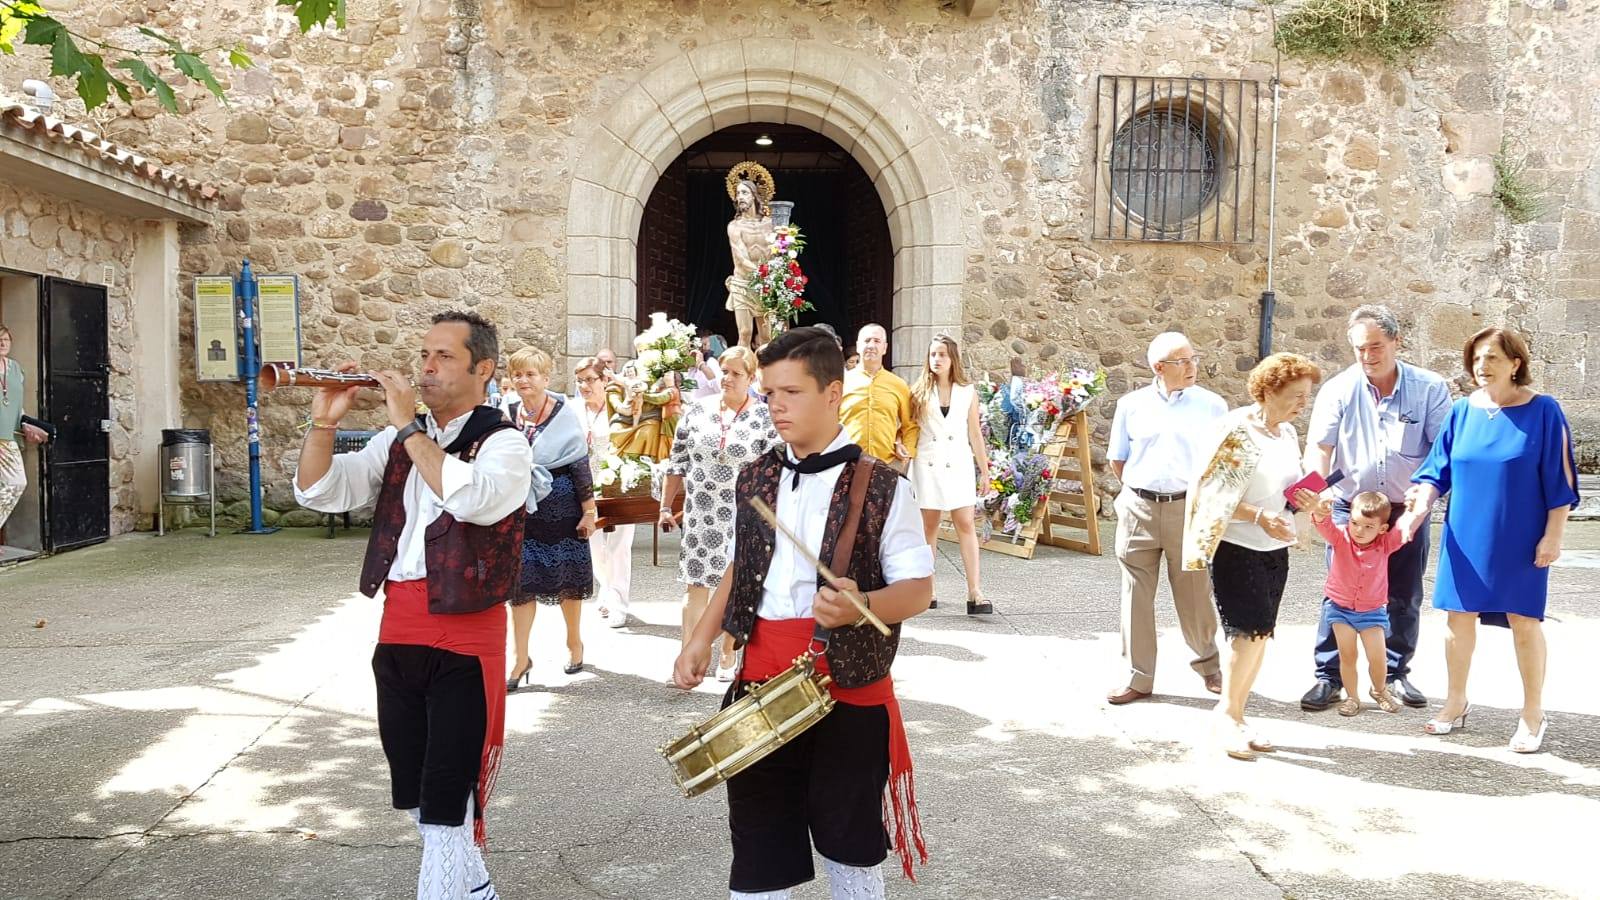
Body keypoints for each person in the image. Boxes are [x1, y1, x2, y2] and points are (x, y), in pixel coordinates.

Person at [672, 326, 933, 899]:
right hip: (760, 685)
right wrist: (699, 637)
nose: (776, 406)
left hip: (848, 688)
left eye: (791, 392)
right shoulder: (757, 475)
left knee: (849, 846)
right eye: (769, 393)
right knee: (760, 850)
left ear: (833, 393)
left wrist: (862, 605)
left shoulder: (885, 485)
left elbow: (917, 590)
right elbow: (743, 566)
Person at [293, 310, 529, 899]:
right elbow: (320, 490)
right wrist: (323, 422)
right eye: (423, 354)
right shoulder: (398, 441)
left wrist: (405, 428)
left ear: (484, 369)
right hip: (398, 629)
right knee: (419, 791)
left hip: (466, 637)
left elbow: (471, 499)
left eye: (444, 356)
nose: (425, 367)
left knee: (449, 791)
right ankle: (473, 891)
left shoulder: (505, 444)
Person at [1399, 327, 1578, 753]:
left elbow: (1561, 482)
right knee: (1457, 619)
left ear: (1516, 363)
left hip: (1522, 536)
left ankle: (1533, 713)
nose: (1482, 367)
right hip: (1466, 534)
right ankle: (1455, 703)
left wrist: (1553, 536)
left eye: (1493, 358)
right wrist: (1417, 508)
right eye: (1477, 358)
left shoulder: (1545, 411)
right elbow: (1435, 471)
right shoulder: (1462, 411)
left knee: (1524, 621)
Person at [1300, 305, 1451, 712]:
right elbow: (1319, 447)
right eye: (1359, 349)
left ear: (1396, 341)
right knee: (1340, 595)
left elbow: (1441, 452)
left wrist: (1424, 498)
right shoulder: (1338, 389)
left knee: (1404, 593)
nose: (1368, 356)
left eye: (1375, 346)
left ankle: (1396, 674)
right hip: (1350, 507)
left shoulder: (1430, 388)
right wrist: (1319, 491)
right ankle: (1328, 677)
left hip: (1407, 507)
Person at [1183, 352, 1320, 760]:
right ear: (1268, 390)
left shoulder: (1287, 435)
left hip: (1275, 546)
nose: (1302, 404)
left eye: (1306, 397)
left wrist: (1309, 501)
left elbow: (1288, 491)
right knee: (1245, 633)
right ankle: (1227, 716)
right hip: (1237, 547)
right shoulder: (1236, 431)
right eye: (1295, 395)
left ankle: (1236, 714)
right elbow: (1212, 494)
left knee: (1260, 635)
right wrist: (1259, 516)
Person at [1105, 332, 1227, 705]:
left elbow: (1223, 462)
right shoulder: (1132, 405)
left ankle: (1209, 666)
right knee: (1135, 596)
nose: (1193, 366)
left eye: (1193, 358)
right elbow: (1118, 458)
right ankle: (1138, 678)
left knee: (1194, 593)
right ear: (1159, 368)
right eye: (1183, 361)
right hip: (1138, 507)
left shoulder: (1212, 406)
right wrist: (1134, 494)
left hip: (1188, 509)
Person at [660, 346, 780, 680]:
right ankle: (688, 657)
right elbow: (677, 461)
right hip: (700, 512)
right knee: (695, 586)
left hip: (745, 515)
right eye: (724, 371)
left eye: (735, 373)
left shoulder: (764, 417)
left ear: (752, 378)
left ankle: (728, 653)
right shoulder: (697, 410)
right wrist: (666, 506)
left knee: (738, 585)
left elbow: (775, 471)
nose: (727, 378)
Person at [504, 347, 596, 690]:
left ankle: (574, 642)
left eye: (531, 374)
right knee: (521, 587)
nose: (524, 380)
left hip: (562, 512)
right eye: (518, 374)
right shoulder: (506, 412)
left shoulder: (564, 413)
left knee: (568, 582)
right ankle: (520, 658)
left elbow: (579, 463)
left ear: (545, 378)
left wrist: (589, 511)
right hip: (520, 513)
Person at [1299, 490, 1411, 716]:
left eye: (1368, 527)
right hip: (1340, 609)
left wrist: (1412, 510)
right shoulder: (1341, 537)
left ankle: (1379, 690)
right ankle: (1351, 697)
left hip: (1372, 611)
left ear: (1382, 529)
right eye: (1355, 523)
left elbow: (1404, 529)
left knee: (1378, 658)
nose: (1359, 530)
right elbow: (1324, 526)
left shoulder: (1385, 544)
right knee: (1348, 655)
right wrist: (1320, 512)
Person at [907, 333, 994, 614]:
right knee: (929, 526)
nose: (937, 359)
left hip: (958, 463)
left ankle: (975, 591)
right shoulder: (918, 390)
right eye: (933, 354)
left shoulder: (967, 392)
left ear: (952, 358)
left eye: (942, 354)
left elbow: (975, 433)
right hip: (927, 463)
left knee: (966, 523)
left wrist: (985, 471)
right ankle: (928, 589)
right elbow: (909, 429)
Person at [574, 356, 633, 629]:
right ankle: (607, 589)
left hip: (618, 486)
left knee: (619, 547)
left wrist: (619, 381)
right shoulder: (574, 409)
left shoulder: (618, 407)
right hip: (586, 488)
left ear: (604, 379)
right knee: (594, 546)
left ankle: (619, 602)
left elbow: (640, 395)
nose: (584, 386)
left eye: (590, 379)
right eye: (580, 381)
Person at [841, 323, 918, 467]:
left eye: (877, 341)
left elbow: (910, 425)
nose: (871, 345)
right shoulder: (842, 383)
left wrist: (906, 450)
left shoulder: (898, 384)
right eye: (866, 340)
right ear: (858, 346)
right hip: (846, 464)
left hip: (886, 464)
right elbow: (829, 424)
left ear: (885, 348)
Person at [0, 325, 50, 534]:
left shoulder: (16, 369)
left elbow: (15, 404)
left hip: (8, 436)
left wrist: (25, 424)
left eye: (6, 340)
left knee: (17, 483)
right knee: (13, 483)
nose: (2, 344)